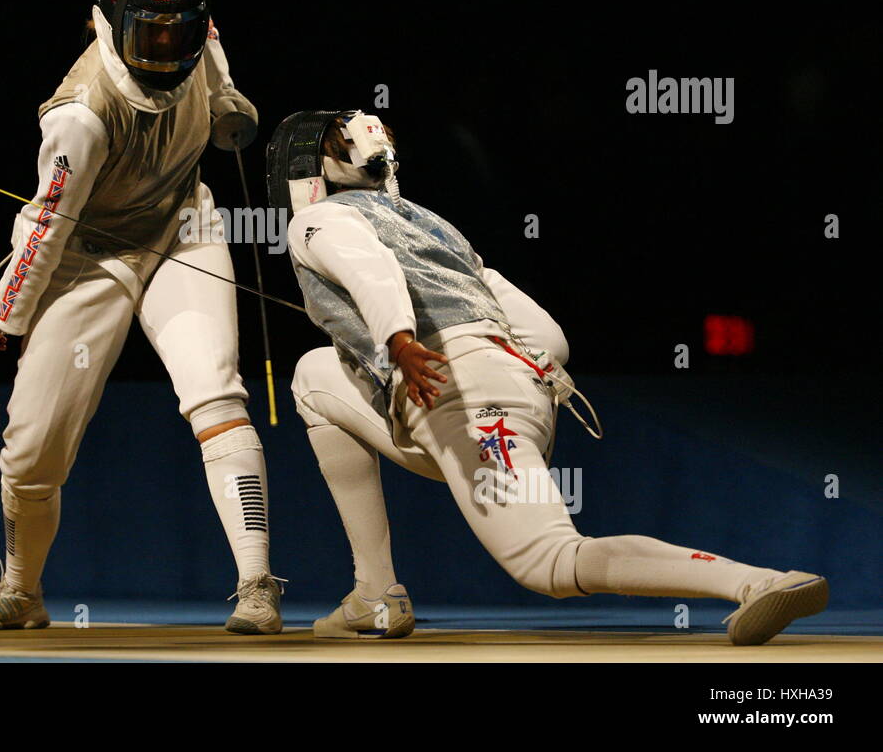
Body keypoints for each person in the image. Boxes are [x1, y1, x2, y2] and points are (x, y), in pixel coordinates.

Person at [267, 110, 828, 645]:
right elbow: (548, 335)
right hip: (508, 389)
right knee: (313, 375)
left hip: (459, 395)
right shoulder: (435, 227)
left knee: (550, 560)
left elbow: (374, 272)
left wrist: (401, 341)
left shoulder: (320, 219)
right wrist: (498, 369)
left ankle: (758, 582)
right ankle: (374, 594)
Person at [0, 0, 283, 634]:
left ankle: (257, 586)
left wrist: (228, 103)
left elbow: (215, 66)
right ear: (110, 23)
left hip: (182, 228)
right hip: (87, 257)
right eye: (150, 35)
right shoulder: (81, 116)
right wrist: (4, 319)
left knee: (215, 390)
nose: (167, 48)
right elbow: (46, 226)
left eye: (177, 32)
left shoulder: (197, 34)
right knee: (33, 447)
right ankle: (19, 593)